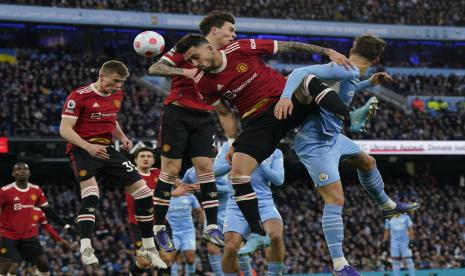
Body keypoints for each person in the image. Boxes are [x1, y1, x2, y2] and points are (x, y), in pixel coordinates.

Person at [175, 33, 366, 254]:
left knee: (306, 79)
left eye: (196, 57)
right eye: (191, 62)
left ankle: (351, 117)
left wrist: (327, 51)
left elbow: (288, 45)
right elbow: (225, 113)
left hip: (285, 101)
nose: (195, 64)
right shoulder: (203, 82)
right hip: (258, 122)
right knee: (238, 174)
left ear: (209, 48)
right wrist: (232, 143)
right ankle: (257, 233)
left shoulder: (240, 49)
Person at [275, 34, 420, 275]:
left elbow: (344, 92)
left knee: (367, 161)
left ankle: (387, 206)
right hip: (315, 143)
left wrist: (369, 83)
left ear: (353, 48)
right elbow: (301, 73)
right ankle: (340, 264)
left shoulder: (350, 73)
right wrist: (285, 97)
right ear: (376, 59)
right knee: (335, 200)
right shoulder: (343, 69)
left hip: (334, 138)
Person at [147, 10, 240, 251]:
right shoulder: (187, 47)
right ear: (215, 30)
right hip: (177, 113)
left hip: (204, 116)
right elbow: (155, 69)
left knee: (206, 168)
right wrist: (184, 71)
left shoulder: (226, 56)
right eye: (230, 29)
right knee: (171, 170)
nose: (234, 34)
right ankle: (158, 228)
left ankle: (211, 228)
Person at [59, 60, 165, 268]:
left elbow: (111, 118)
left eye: (121, 83)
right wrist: (88, 147)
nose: (118, 86)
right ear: (102, 76)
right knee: (91, 194)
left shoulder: (117, 94)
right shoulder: (79, 96)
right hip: (82, 150)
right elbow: (65, 129)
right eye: (115, 81)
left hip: (107, 149)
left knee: (144, 193)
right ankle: (86, 247)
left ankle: (149, 248)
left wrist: (122, 136)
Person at [0, 162, 75, 276]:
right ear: (13, 174)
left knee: (43, 263)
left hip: (28, 236)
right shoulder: (5, 191)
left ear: (29, 173)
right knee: (7, 265)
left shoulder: (36, 190)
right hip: (8, 235)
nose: (22, 171)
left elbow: (49, 211)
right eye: (18, 169)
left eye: (25, 169)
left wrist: (67, 226)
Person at [125, 147, 174, 275]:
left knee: (167, 260)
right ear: (135, 160)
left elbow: (174, 183)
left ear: (153, 160)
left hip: (160, 223)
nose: (146, 158)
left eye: (148, 156)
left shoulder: (158, 173)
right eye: (142, 156)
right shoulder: (130, 174)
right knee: (145, 262)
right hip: (139, 224)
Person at [6, 207, 73, 276]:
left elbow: (47, 227)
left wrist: (59, 239)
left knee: (40, 265)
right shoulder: (15, 209)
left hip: (33, 243)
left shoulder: (38, 212)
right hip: (18, 242)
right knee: (13, 266)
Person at [166, 181, 204, 276]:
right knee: (170, 258)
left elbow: (199, 211)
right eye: (175, 178)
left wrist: (203, 226)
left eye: (179, 178)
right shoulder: (166, 196)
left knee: (191, 258)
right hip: (172, 232)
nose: (177, 181)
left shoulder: (190, 196)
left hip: (188, 231)